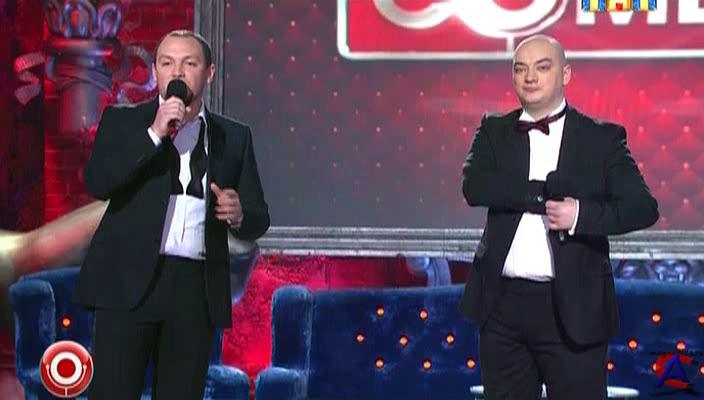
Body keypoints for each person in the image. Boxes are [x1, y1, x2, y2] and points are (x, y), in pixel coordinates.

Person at [458, 35, 658, 400]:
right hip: (502, 306)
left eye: (542, 67)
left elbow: (642, 207)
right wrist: (540, 196)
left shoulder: (601, 138)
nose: (529, 77)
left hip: (573, 308)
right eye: (520, 69)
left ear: (566, 74)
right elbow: (475, 186)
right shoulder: (494, 131)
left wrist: (579, 214)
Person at [73, 30, 270, 399]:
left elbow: (260, 216)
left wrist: (240, 213)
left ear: (209, 73)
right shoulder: (123, 121)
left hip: (195, 290)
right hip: (128, 284)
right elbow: (99, 183)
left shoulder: (233, 137)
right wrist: (153, 134)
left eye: (189, 63)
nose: (177, 72)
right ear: (155, 72)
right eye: (167, 63)